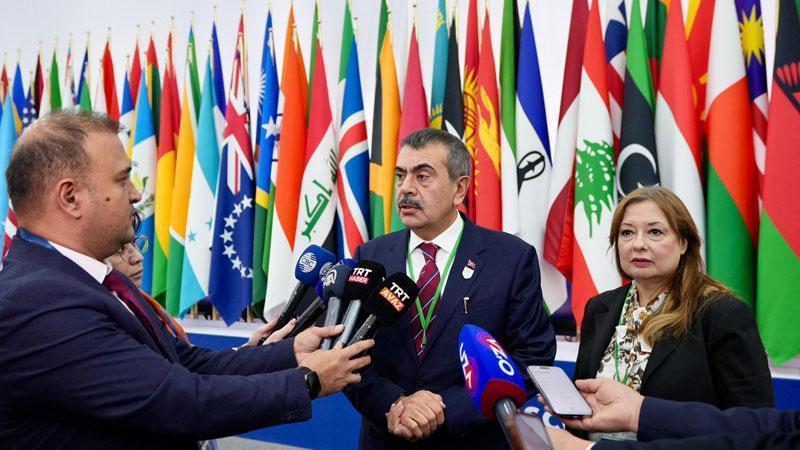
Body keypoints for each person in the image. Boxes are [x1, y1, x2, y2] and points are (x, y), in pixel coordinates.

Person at [0, 110, 374, 449]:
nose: (136, 195)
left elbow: (184, 362)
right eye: (122, 179)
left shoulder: (92, 279)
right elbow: (176, 401)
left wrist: (291, 353)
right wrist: (308, 381)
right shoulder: (38, 302)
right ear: (70, 197)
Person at [345, 128, 556, 449]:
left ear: (460, 188)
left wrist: (445, 411)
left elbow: (532, 357)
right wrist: (394, 404)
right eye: (401, 175)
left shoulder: (510, 258)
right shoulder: (370, 257)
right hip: (387, 438)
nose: (406, 188)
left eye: (422, 176)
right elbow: (348, 351)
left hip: (472, 440)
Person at [573, 187, 773, 439]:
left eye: (655, 232)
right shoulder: (600, 307)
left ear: (683, 243)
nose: (638, 244)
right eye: (627, 233)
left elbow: (754, 424)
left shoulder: (722, 313)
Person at [106, 228, 293, 346]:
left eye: (135, 244)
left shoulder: (140, 305)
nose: (138, 257)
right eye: (120, 250)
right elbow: (182, 380)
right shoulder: (108, 318)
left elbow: (186, 366)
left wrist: (251, 350)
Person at [546, 378, 800, 450]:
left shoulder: (724, 311)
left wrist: (581, 449)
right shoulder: (601, 307)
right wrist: (638, 411)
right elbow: (781, 427)